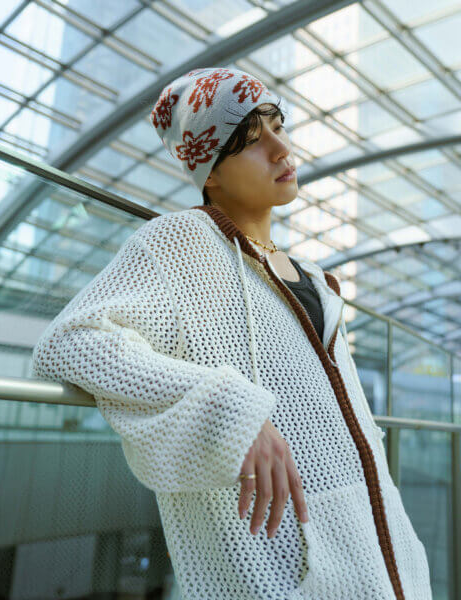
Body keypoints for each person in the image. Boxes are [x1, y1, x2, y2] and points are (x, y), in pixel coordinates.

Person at [32, 67, 432, 600]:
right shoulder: (181, 243)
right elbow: (71, 344)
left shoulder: (316, 279)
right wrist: (229, 408)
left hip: (391, 562)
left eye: (278, 126)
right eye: (250, 140)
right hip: (287, 573)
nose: (281, 148)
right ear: (211, 172)